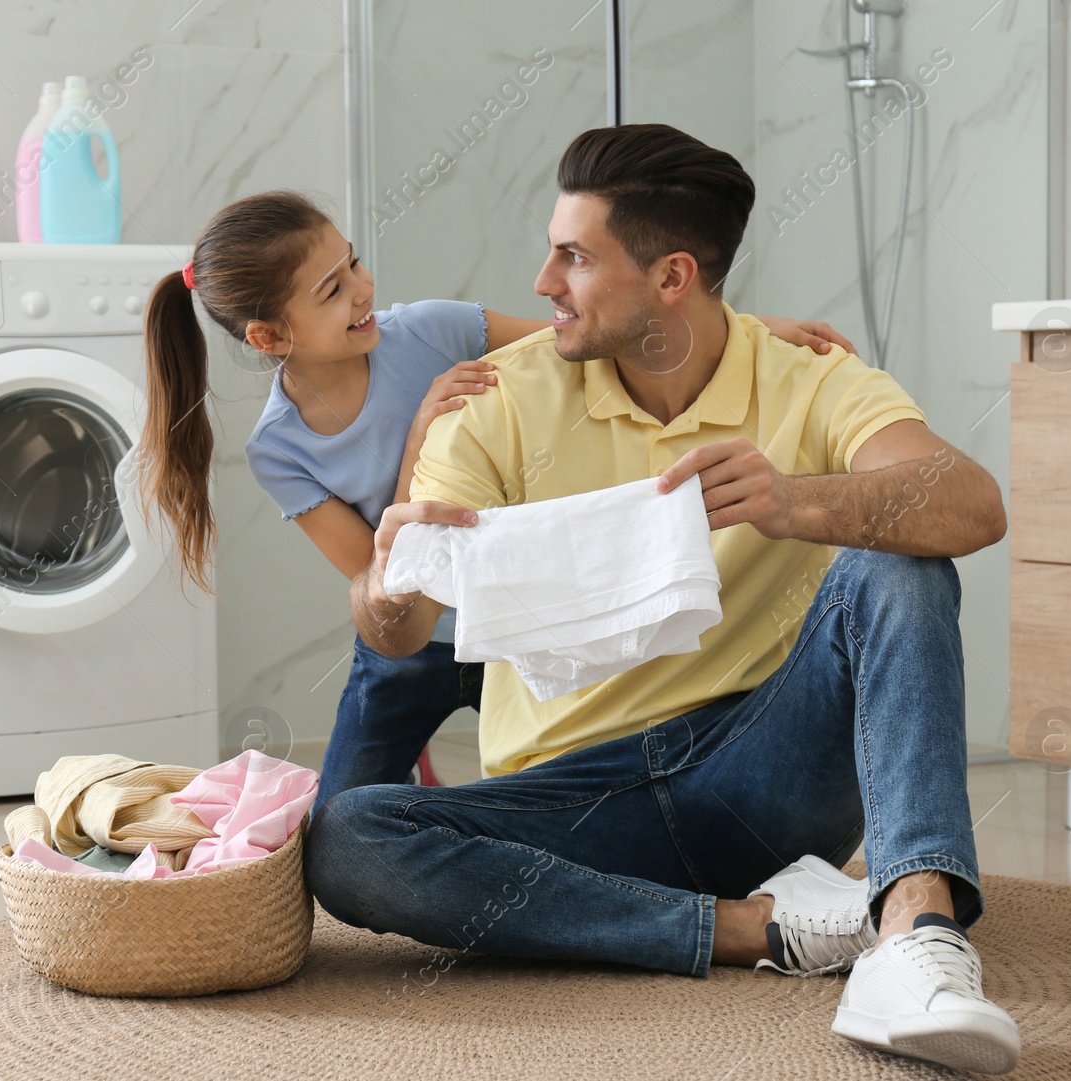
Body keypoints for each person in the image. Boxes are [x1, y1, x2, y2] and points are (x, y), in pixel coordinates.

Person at [304, 127, 1022, 1075]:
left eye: (573, 256)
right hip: (573, 803)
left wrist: (791, 499)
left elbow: (972, 502)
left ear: (672, 276)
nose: (541, 281)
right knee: (350, 839)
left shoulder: (810, 378)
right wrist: (389, 580)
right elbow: (397, 633)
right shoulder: (495, 400)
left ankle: (916, 935)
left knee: (901, 567)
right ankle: (755, 929)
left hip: (759, 773)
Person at [137, 189, 864, 814]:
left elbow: (581, 340)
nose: (362, 288)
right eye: (330, 290)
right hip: (411, 650)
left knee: (573, 798)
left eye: (352, 261)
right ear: (269, 336)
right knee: (335, 825)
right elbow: (377, 568)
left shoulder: (426, 328)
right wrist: (422, 430)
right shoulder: (280, 447)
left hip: (516, 618)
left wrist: (750, 332)